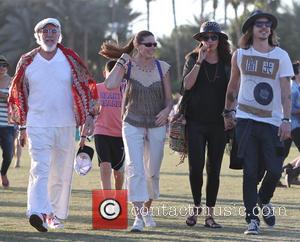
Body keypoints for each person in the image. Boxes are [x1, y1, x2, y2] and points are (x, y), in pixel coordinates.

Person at [8, 18, 98, 232]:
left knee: (61, 171)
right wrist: (21, 126)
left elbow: (87, 87)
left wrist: (90, 117)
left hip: (66, 125)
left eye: (53, 31)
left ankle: (52, 214)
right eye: (44, 31)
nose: (49, 34)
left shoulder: (70, 59)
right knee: (40, 168)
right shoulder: (27, 60)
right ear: (37, 36)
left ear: (60, 35)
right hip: (37, 124)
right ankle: (36, 212)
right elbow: (18, 92)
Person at [224, 10, 294, 235]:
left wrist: (286, 119)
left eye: (268, 24)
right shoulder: (240, 54)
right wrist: (228, 112)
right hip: (245, 120)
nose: (264, 27)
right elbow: (233, 86)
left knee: (274, 170)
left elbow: (286, 92)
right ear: (251, 30)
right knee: (250, 172)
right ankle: (251, 220)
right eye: (259, 24)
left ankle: (264, 200)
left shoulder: (281, 56)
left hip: (273, 122)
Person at [99, 30, 173, 232]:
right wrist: (122, 60)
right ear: (138, 46)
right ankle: (138, 217)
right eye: (148, 44)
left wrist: (167, 111)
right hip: (132, 122)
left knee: (153, 172)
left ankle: (147, 210)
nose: (152, 48)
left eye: (154, 44)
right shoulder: (128, 65)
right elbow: (110, 84)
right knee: (135, 169)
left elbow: (169, 99)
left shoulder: (162, 67)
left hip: (157, 124)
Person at [181, 21, 231, 228]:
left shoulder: (228, 62)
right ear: (200, 41)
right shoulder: (192, 59)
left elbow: (234, 90)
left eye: (214, 37)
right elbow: (186, 85)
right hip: (195, 122)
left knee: (214, 169)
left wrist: (231, 113)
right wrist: (200, 62)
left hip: (219, 123)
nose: (209, 41)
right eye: (205, 37)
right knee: (196, 168)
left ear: (220, 40)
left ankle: (210, 215)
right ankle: (196, 208)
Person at [93, 60, 126, 190]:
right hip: (101, 132)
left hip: (120, 135)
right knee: (105, 168)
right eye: (111, 74)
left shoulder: (125, 89)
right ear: (104, 73)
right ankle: (106, 201)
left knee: (118, 173)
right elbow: (90, 111)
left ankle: (118, 196)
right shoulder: (97, 88)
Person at [281, 61, 300, 187]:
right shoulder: (293, 89)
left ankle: (286, 170)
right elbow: (288, 109)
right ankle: (291, 172)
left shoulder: (297, 87)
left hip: (294, 125)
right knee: (281, 153)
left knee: (282, 153)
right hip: (293, 125)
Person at [0, 55, 14, 188]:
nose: (2, 68)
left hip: (8, 125)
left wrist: (6, 97)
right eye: (0, 65)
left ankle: (3, 173)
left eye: (4, 66)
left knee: (9, 154)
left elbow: (15, 99)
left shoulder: (11, 81)